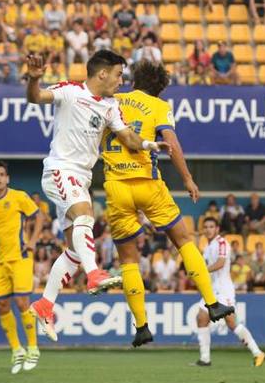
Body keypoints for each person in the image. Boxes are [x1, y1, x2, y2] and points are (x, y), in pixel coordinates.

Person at [24, 50, 172, 341]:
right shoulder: (69, 91)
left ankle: (44, 304)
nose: (121, 80)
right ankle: (95, 275)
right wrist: (34, 79)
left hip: (82, 178)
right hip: (60, 170)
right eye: (118, 74)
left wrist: (148, 144)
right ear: (102, 73)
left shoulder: (110, 106)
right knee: (86, 217)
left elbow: (126, 136)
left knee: (75, 251)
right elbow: (35, 97)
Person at [99, 61, 235, 345]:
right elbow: (171, 144)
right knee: (184, 239)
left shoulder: (111, 99)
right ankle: (212, 304)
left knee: (128, 259)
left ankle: (141, 327)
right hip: (148, 184)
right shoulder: (159, 107)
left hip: (115, 186)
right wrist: (187, 178)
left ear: (135, 79)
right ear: (160, 88)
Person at [0, 161, 44, 373]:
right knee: (1, 306)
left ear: (7, 179)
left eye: (2, 174)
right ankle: (17, 350)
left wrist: (32, 241)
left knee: (22, 301)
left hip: (20, 257)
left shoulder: (19, 196)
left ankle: (33, 347)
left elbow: (38, 216)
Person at [195, 217, 265, 367]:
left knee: (232, 323)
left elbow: (220, 263)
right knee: (201, 318)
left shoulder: (222, 243)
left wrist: (202, 270)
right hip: (212, 290)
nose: (208, 229)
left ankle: (258, 353)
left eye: (211, 226)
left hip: (224, 290)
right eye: (206, 227)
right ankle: (205, 359)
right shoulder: (207, 247)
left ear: (217, 229)